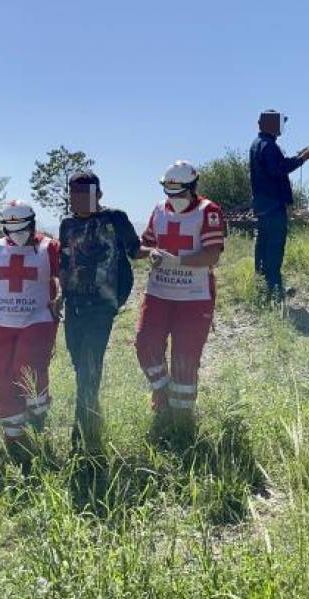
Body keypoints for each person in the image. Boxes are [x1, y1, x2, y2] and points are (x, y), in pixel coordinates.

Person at [134, 161, 226, 441]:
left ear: (192, 187)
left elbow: (212, 256)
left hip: (194, 297)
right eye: (168, 190)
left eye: (178, 191)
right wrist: (149, 253)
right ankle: (161, 393)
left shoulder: (208, 211)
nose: (173, 198)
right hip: (159, 293)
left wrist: (178, 261)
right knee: (145, 342)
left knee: (185, 357)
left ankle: (183, 422)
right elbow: (143, 245)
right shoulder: (159, 210)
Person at [0, 200, 61, 473]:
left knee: (26, 367)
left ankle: (38, 414)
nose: (17, 234)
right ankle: (14, 435)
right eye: (12, 229)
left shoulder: (48, 247)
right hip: (1, 323)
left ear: (32, 224)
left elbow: (64, 273)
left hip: (38, 320)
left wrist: (63, 295)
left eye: (22, 228)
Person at [58, 171, 142, 458]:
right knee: (81, 368)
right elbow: (65, 262)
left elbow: (136, 250)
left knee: (90, 370)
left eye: (84, 194)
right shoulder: (67, 224)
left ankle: (84, 443)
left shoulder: (115, 219)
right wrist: (60, 294)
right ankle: (91, 422)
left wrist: (158, 253)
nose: (77, 199)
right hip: (74, 306)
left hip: (102, 308)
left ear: (99, 195)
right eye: (73, 194)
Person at [249, 109, 309, 301]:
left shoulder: (258, 144)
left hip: (262, 206)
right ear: (273, 124)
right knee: (274, 248)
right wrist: (303, 157)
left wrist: (298, 157)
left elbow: (275, 166)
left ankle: (261, 288)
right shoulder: (269, 146)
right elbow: (279, 168)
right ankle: (275, 290)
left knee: (263, 249)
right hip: (274, 207)